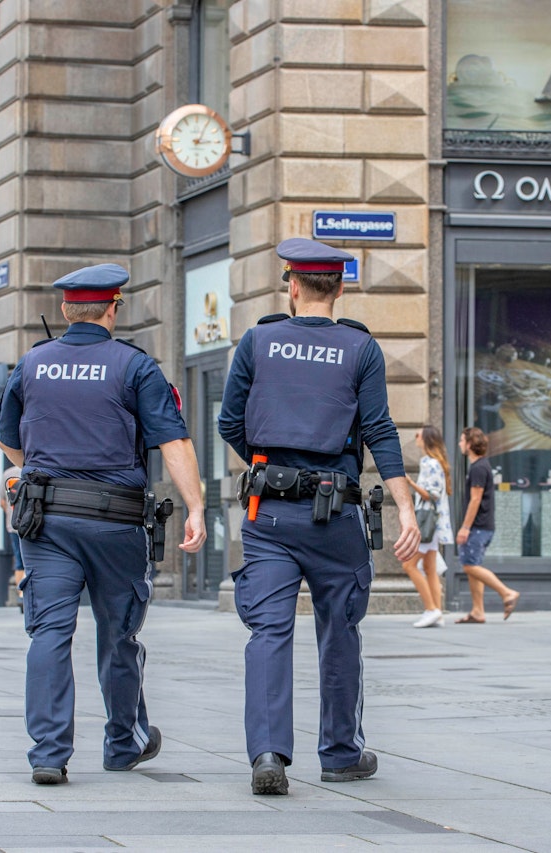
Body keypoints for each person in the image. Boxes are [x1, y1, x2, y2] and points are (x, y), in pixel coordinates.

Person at [217, 237, 420, 796]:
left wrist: (268, 462)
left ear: (294, 284)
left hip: (270, 515)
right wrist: (404, 505)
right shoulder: (361, 349)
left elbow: (229, 422)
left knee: (267, 632)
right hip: (336, 515)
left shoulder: (257, 340)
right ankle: (339, 753)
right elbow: (380, 429)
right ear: (341, 286)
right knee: (340, 632)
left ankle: (267, 755)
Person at [0, 262, 206, 787]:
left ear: (67, 310)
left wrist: (42, 465)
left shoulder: (32, 364)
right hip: (115, 522)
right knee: (118, 634)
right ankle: (121, 743)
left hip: (46, 521)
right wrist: (196, 506)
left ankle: (48, 753)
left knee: (49, 631)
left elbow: (7, 439)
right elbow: (173, 442)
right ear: (114, 308)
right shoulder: (135, 366)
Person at [454, 427, 519, 623]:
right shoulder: (480, 466)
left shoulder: (478, 468)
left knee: (469, 566)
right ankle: (477, 611)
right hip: (483, 525)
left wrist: (465, 527)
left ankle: (506, 592)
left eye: (462, 440)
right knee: (474, 564)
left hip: (478, 526)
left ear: (470, 444)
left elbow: (475, 500)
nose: (459, 444)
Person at [402, 426, 454, 628]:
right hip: (434, 523)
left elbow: (430, 494)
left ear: (427, 439)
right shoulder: (436, 463)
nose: (416, 437)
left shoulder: (429, 463)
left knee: (409, 565)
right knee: (430, 568)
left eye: (419, 434)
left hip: (427, 523)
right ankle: (437, 612)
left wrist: (409, 482)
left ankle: (431, 609)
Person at [0, 463, 24, 581]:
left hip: (13, 525)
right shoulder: (36, 470)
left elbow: (2, 502)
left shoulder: (8, 474)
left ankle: (21, 596)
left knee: (19, 561)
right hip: (34, 524)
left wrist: (12, 515)